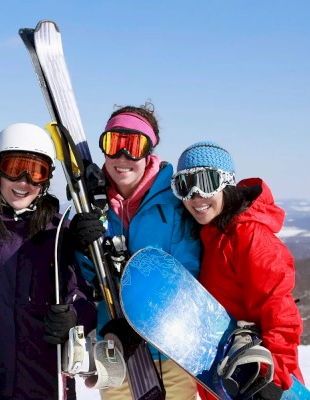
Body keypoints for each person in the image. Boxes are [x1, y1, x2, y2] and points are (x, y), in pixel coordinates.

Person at [70, 104, 202, 400]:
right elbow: (90, 280)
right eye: (113, 144)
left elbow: (186, 276)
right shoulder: (92, 203)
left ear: (149, 152)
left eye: (133, 146)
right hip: (114, 349)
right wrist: (80, 245)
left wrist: (140, 325)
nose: (122, 157)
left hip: (170, 350)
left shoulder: (174, 203)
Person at [0, 123, 98, 400]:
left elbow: (86, 299)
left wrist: (74, 317)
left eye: (36, 172)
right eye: (15, 168)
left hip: (45, 384)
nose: (24, 182)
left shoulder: (59, 233)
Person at [171, 141, 304, 400]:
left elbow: (280, 311)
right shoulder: (208, 236)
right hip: (225, 379)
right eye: (185, 186)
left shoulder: (250, 236)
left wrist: (274, 377)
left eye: (206, 182)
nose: (196, 195)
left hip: (261, 380)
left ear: (227, 184)